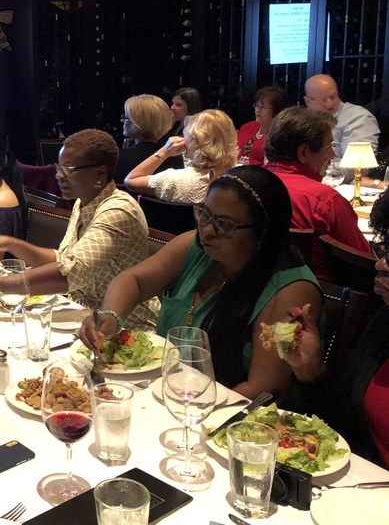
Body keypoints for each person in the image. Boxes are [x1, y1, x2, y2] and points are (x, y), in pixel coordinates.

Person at [81, 166, 322, 400]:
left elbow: (262, 390)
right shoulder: (198, 248)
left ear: (262, 233)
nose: (207, 230)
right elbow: (134, 280)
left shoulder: (289, 289)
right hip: (170, 394)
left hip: (227, 415)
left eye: (225, 224)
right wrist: (109, 316)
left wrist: (190, 410)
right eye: (204, 214)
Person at [0, 130, 159, 330]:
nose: (58, 175)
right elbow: (63, 259)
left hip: (127, 326)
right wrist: (11, 244)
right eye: (58, 167)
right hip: (83, 316)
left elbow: (72, 271)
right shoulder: (82, 203)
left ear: (100, 173)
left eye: (68, 169)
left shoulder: (118, 210)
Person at [279, 191, 389, 468]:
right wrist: (310, 370)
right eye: (385, 248)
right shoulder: (383, 324)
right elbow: (349, 430)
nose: (380, 263)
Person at [264, 106, 370, 283]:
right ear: (304, 152)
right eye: (329, 147)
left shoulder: (243, 186)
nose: (333, 155)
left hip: (249, 292)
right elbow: (362, 262)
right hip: (317, 294)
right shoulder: (325, 201)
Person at [125, 109, 238, 204]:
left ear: (194, 142)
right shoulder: (239, 180)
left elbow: (130, 180)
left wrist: (164, 152)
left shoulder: (172, 180)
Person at [303, 74, 379, 182]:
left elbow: (358, 166)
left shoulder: (357, 117)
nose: (330, 104)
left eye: (333, 97)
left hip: (339, 184)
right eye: (323, 100)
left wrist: (312, 169)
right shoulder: (302, 120)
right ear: (308, 101)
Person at [114, 94, 184, 183]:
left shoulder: (118, 158)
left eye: (126, 117)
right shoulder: (175, 158)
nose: (122, 121)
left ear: (138, 123)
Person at [237, 86, 288, 166]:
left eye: (262, 107)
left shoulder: (277, 135)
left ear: (276, 111)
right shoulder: (247, 127)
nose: (257, 110)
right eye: (257, 106)